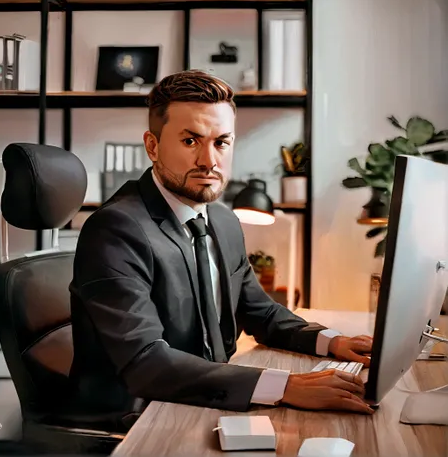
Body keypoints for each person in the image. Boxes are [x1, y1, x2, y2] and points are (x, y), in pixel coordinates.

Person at [68, 70, 374, 429]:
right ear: (152, 146)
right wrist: (286, 386)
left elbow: (260, 313)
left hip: (204, 398)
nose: (209, 161)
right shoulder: (116, 230)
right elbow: (146, 363)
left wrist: (333, 343)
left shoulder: (222, 221)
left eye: (221, 142)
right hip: (139, 416)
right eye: (190, 141)